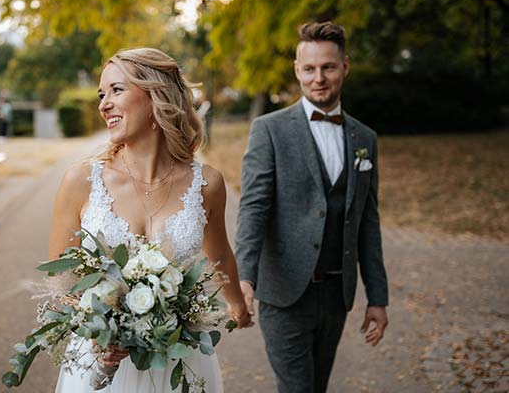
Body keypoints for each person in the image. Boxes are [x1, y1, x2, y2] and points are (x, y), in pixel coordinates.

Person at [48, 47, 253, 392]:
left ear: (156, 95)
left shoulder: (207, 184)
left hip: (179, 363)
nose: (103, 104)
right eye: (101, 94)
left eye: (117, 90)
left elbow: (218, 254)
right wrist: (99, 330)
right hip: (100, 366)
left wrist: (237, 304)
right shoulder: (80, 182)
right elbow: (59, 282)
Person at [236, 22, 389, 393]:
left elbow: (367, 222)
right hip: (284, 294)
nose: (318, 78)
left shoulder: (364, 137)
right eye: (309, 69)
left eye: (328, 67)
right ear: (297, 70)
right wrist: (245, 277)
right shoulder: (269, 129)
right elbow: (253, 207)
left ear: (345, 67)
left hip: (336, 295)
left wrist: (378, 298)